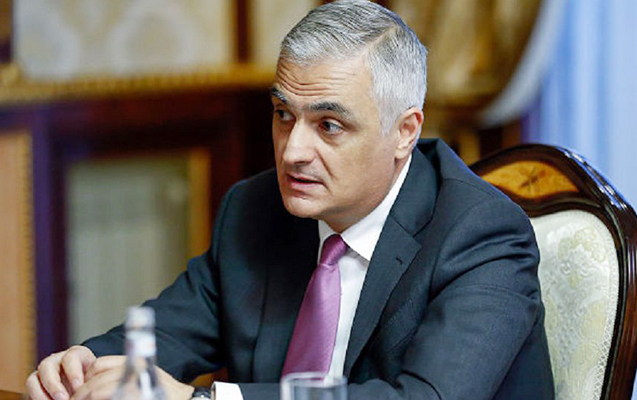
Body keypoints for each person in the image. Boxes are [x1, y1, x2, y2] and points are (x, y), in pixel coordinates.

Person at [26, 1, 554, 399]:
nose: (293, 152)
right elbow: (166, 333)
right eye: (284, 115)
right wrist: (82, 364)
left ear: (405, 132)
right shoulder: (255, 208)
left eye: (329, 125)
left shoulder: (480, 234)